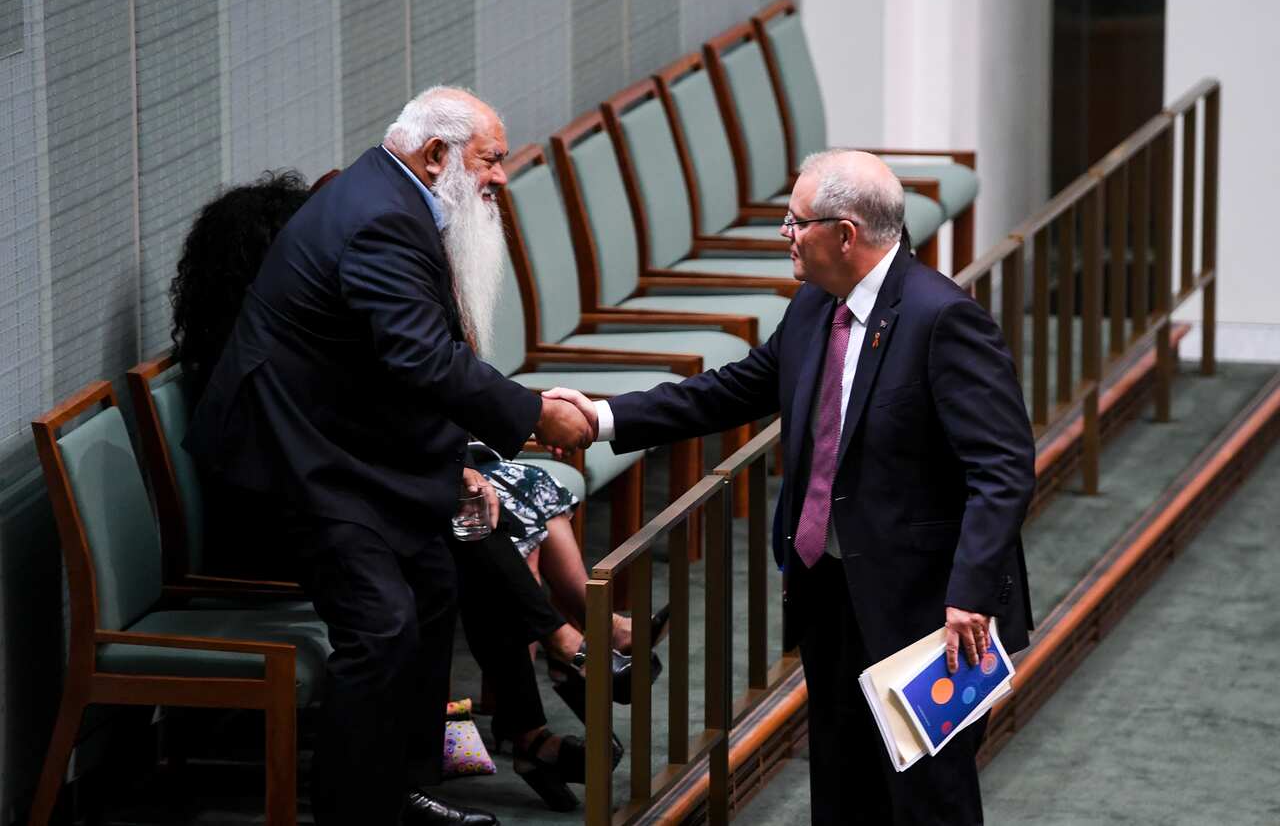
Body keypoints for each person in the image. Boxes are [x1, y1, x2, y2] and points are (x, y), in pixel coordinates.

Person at [546, 149, 1036, 825]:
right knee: (839, 780)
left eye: (796, 221)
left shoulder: (942, 318)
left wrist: (970, 597)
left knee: (929, 798)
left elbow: (1003, 467)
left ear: (845, 234)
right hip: (829, 588)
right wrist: (602, 418)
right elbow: (729, 391)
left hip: (928, 610)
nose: (786, 234)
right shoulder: (814, 306)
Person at [185, 87, 595, 826]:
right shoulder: (380, 218)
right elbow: (421, 359)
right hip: (292, 465)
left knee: (435, 580)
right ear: (436, 155)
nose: (501, 176)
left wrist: (457, 462)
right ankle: (356, 813)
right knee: (380, 622)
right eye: (490, 159)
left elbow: (384, 369)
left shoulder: (391, 198)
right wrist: (535, 415)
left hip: (341, 448)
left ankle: (403, 787)